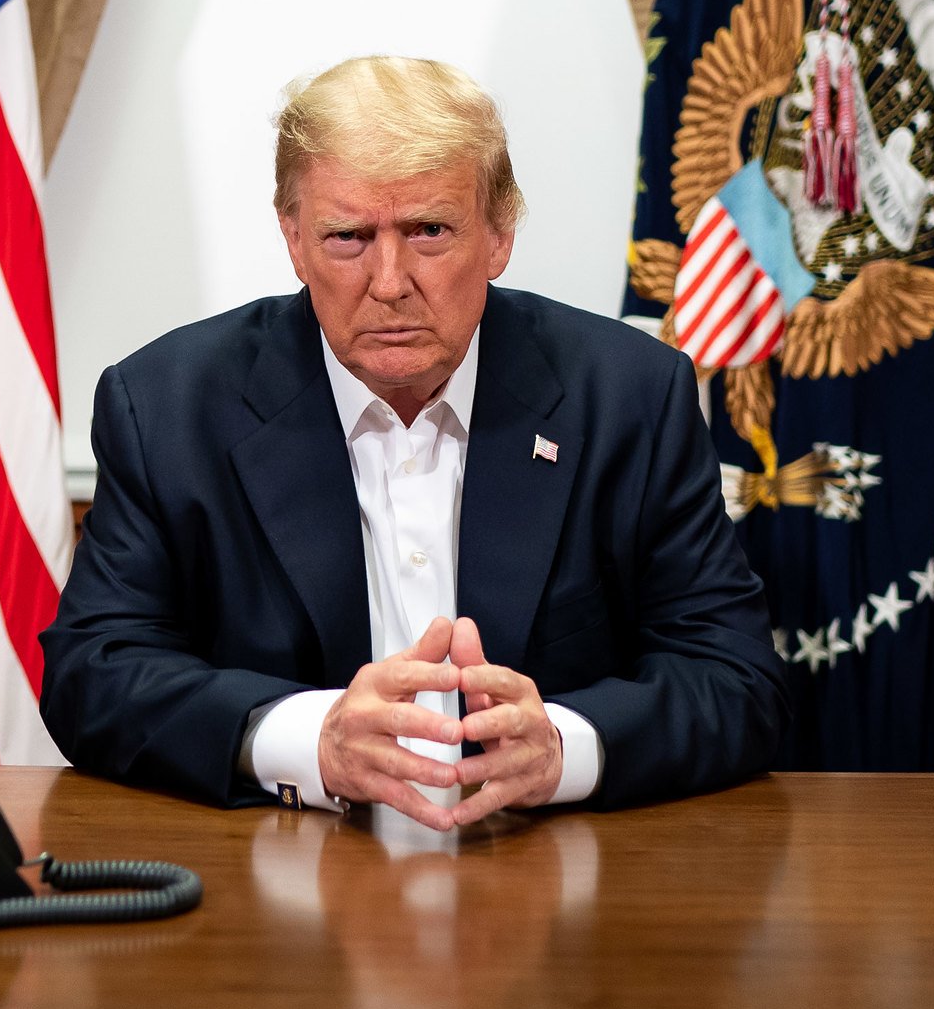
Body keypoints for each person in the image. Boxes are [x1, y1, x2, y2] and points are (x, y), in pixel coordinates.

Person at [40, 57, 786, 829]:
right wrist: (310, 739)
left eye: (429, 230)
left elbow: (736, 678)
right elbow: (93, 673)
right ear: (293, 239)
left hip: (546, 873)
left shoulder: (629, 398)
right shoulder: (169, 408)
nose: (390, 281)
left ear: (499, 234)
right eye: (348, 237)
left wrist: (562, 747)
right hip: (289, 875)